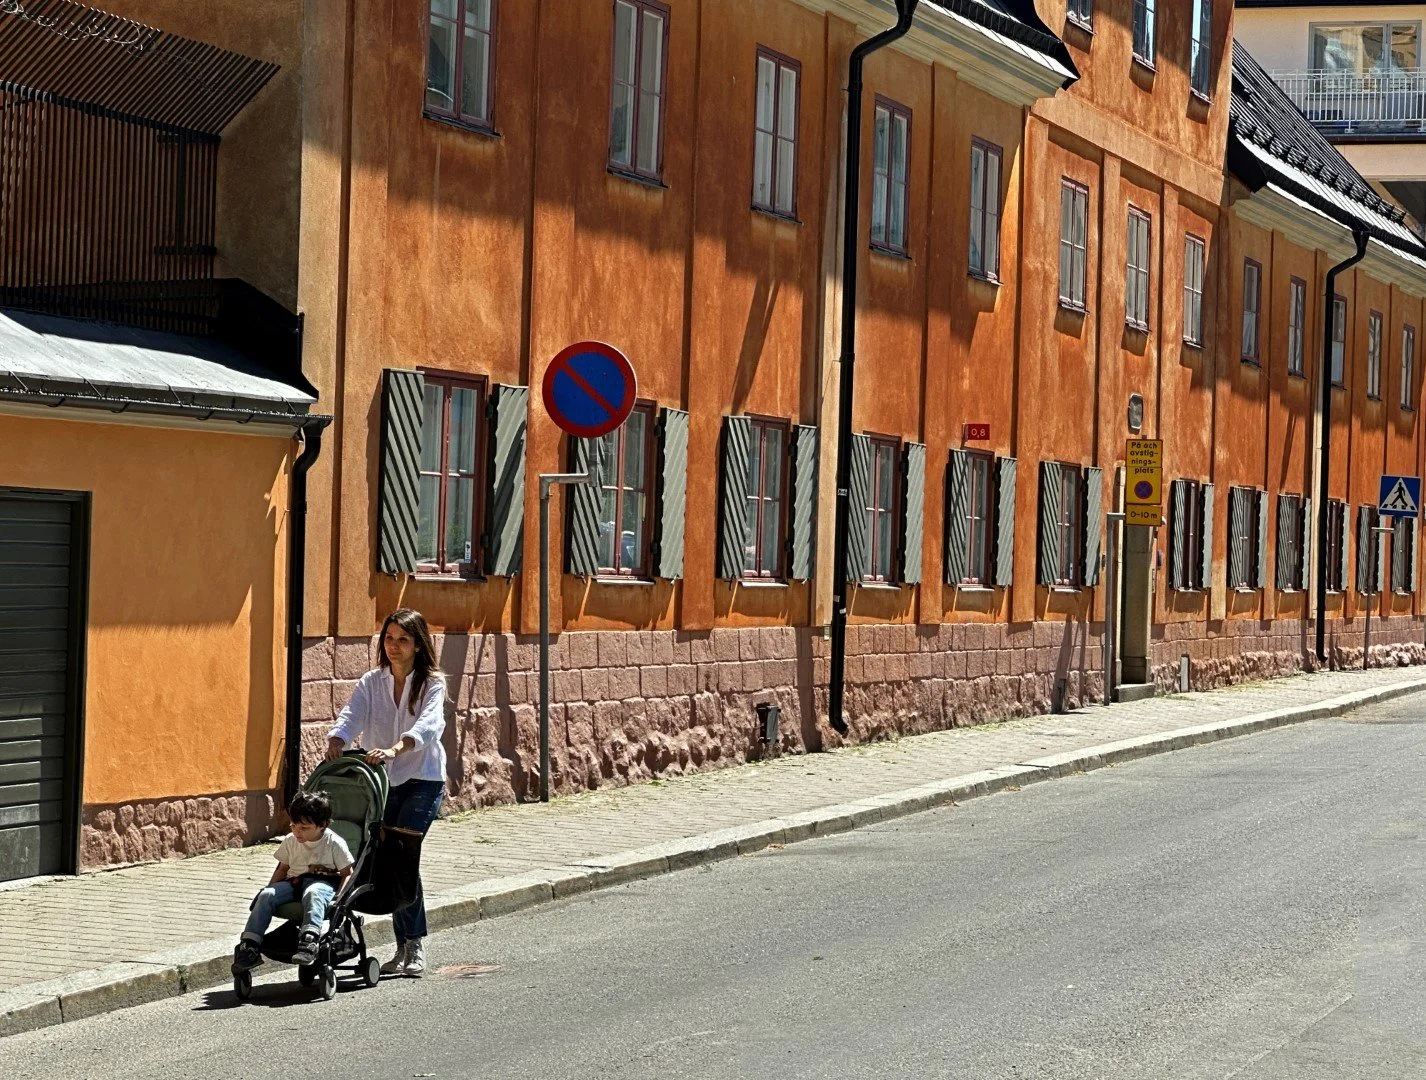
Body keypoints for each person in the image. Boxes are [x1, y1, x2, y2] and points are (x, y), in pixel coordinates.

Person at [326, 607, 447, 978]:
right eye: (389, 638)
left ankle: (415, 943)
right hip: (380, 783)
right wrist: (338, 738)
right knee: (391, 860)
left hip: (423, 779)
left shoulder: (432, 683)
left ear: (418, 645)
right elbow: (353, 714)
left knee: (402, 855)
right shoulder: (372, 681)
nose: (394, 646)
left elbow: (429, 725)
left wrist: (397, 748)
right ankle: (402, 945)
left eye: (403, 640)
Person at [232, 789, 354, 972]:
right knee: (266, 895)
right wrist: (270, 888)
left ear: (322, 825)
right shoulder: (291, 841)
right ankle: (250, 945)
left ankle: (310, 939)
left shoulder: (334, 843)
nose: (297, 831)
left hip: (323, 883)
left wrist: (340, 898)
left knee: (313, 892)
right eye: (293, 825)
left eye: (304, 828)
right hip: (294, 882)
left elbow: (347, 873)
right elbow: (282, 869)